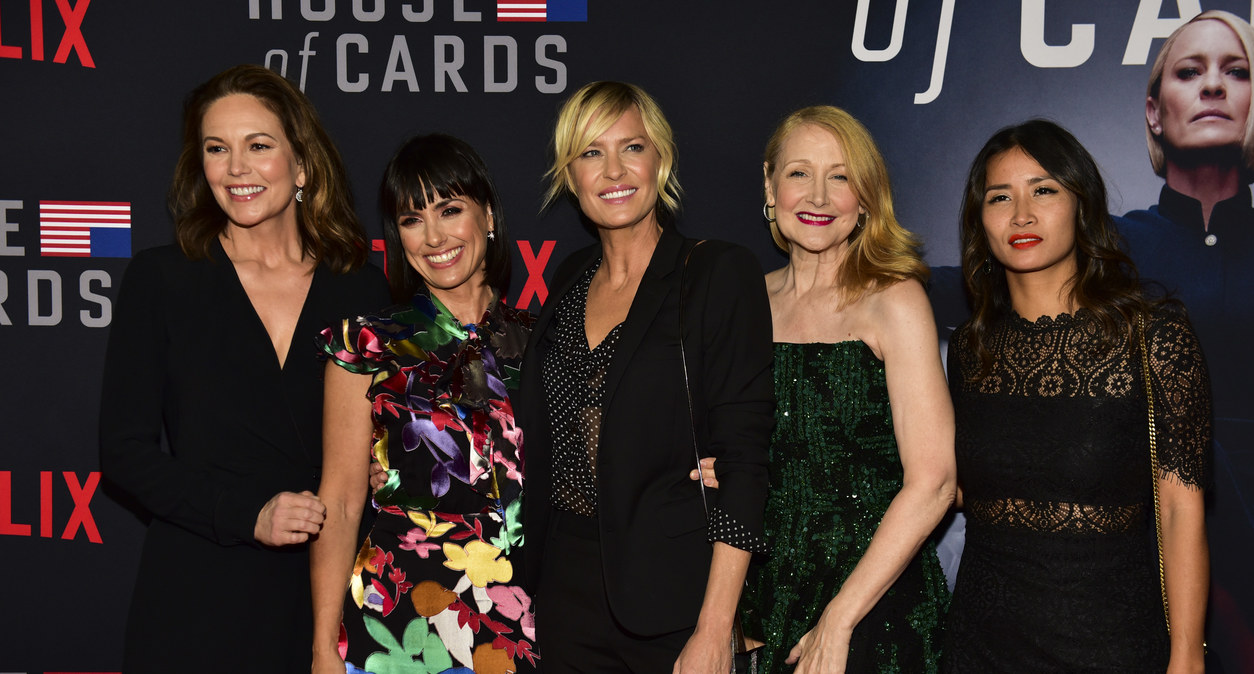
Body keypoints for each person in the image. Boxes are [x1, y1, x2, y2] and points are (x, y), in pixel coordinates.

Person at [99, 64, 389, 671]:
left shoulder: (358, 290)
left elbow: (372, 463)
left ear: (302, 164)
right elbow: (124, 451)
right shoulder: (163, 279)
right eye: (216, 149)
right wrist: (246, 514)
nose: (236, 168)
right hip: (195, 594)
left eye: (258, 146)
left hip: (324, 598)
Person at [520, 81, 774, 672]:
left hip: (674, 600)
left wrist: (715, 630)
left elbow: (745, 460)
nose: (613, 171)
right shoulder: (569, 277)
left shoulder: (715, 272)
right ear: (569, 173)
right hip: (563, 588)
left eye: (631, 147)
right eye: (590, 153)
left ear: (660, 158)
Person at [945, 120, 1210, 672]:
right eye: (1000, 197)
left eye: (1043, 190)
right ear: (981, 222)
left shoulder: (1152, 333)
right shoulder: (970, 351)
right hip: (981, 643)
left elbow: (1182, 509)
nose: (1021, 214)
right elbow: (952, 487)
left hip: (1113, 643)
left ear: (1081, 205)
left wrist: (1186, 653)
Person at [718, 105, 955, 673]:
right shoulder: (744, 301)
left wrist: (840, 617)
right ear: (770, 187)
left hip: (876, 611)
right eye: (800, 173)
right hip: (760, 606)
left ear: (866, 198)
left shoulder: (893, 300)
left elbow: (936, 481)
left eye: (841, 176)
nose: (819, 196)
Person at [311, 134, 538, 673]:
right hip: (396, 618)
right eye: (412, 219)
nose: (434, 236)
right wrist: (323, 648)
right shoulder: (366, 346)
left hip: (523, 615)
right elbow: (340, 503)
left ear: (488, 216)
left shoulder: (545, 343)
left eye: (450, 210)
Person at [1114, 11, 1254, 668]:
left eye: (1236, 72)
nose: (1214, 86)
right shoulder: (1108, 247)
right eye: (1191, 71)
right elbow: (974, 286)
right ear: (1155, 112)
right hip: (1145, 542)